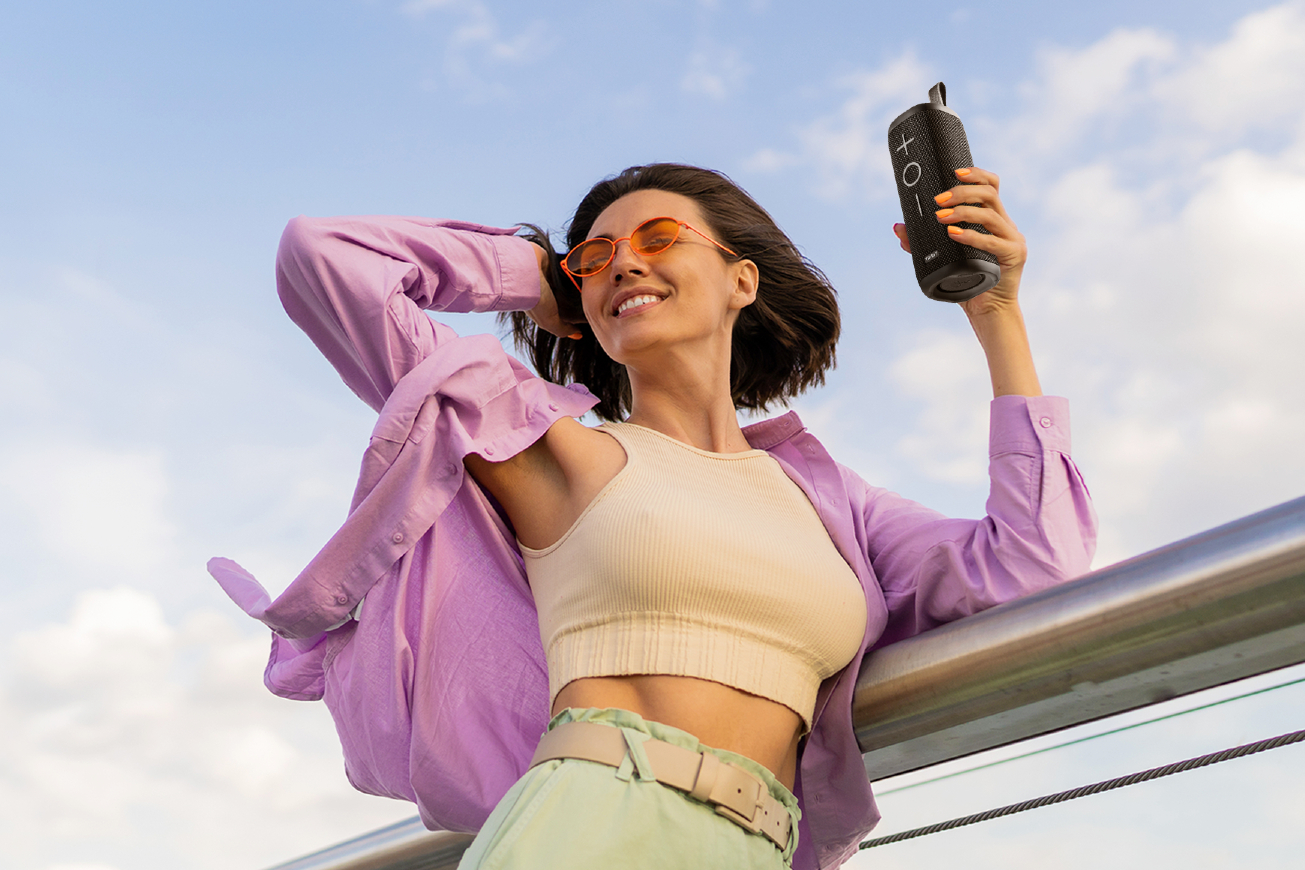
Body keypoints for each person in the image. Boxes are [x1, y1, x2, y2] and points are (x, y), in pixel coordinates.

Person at [209, 163, 1096, 870]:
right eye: (594, 256)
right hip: (592, 820)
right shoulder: (549, 449)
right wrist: (541, 280)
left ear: (740, 279)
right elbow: (322, 256)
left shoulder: (835, 507)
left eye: (658, 238)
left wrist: (995, 313)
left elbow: (1030, 567)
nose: (622, 261)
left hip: (761, 844)